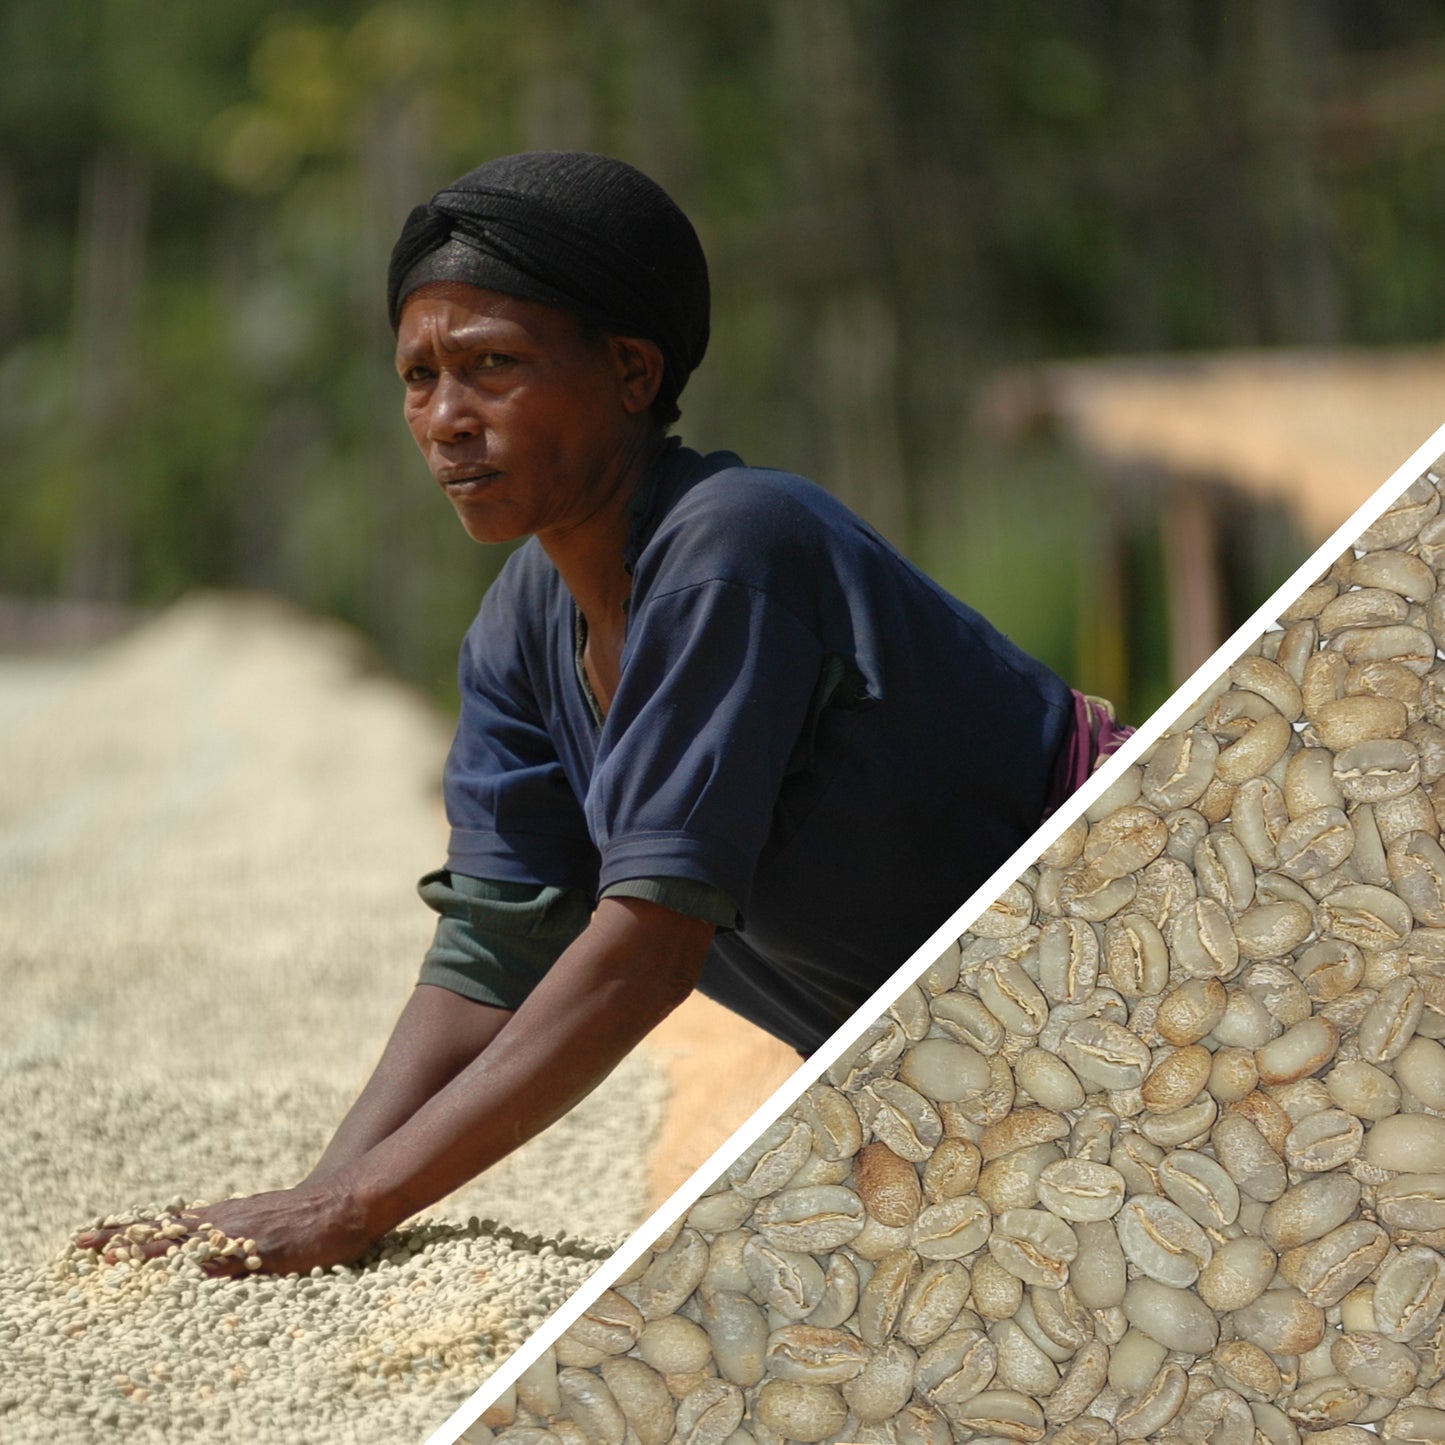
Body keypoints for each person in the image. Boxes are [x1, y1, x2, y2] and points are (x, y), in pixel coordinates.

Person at [79, 151, 1129, 1276]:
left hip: (1125, 954)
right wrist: (322, 1198)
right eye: (417, 376)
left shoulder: (734, 549)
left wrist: (351, 1205)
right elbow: (494, 942)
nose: (443, 418)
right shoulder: (519, 627)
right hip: (972, 1077)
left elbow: (647, 947)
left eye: (491, 367)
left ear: (631, 370)